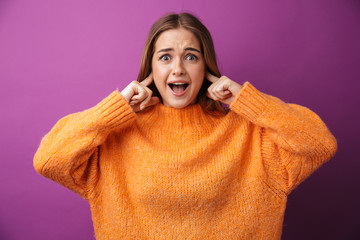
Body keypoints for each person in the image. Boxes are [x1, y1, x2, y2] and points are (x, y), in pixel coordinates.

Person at [33, 12, 337, 240]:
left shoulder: (249, 135)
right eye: (165, 57)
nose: (178, 68)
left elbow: (319, 143)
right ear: (151, 68)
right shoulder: (116, 137)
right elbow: (49, 159)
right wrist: (115, 110)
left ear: (206, 68)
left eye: (191, 56)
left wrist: (246, 100)